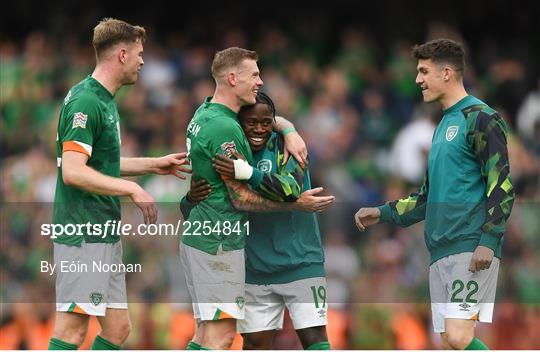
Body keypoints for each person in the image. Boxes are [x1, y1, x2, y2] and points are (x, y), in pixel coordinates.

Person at [354, 39, 515, 350]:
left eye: (424, 71)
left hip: (470, 245)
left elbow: (502, 184)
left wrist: (489, 240)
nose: (417, 80)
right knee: (448, 341)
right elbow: (427, 197)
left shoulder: (480, 117)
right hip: (440, 249)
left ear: (447, 73)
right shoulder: (442, 126)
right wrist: (383, 212)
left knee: (458, 335)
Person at [49, 18, 190, 350]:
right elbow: (72, 171)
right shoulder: (87, 102)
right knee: (71, 330)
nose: (143, 61)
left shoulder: (104, 101)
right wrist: (132, 188)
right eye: (139, 54)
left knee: (117, 329)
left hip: (102, 231)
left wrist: (153, 166)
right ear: (122, 54)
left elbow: (99, 166)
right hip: (82, 231)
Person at [180, 47, 334, 350]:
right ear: (233, 78)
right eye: (255, 75)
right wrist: (189, 200)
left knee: (212, 334)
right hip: (237, 255)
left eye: (267, 123)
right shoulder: (229, 132)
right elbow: (238, 199)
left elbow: (289, 186)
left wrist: (286, 129)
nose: (260, 81)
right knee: (231, 338)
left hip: (298, 261)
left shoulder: (209, 114)